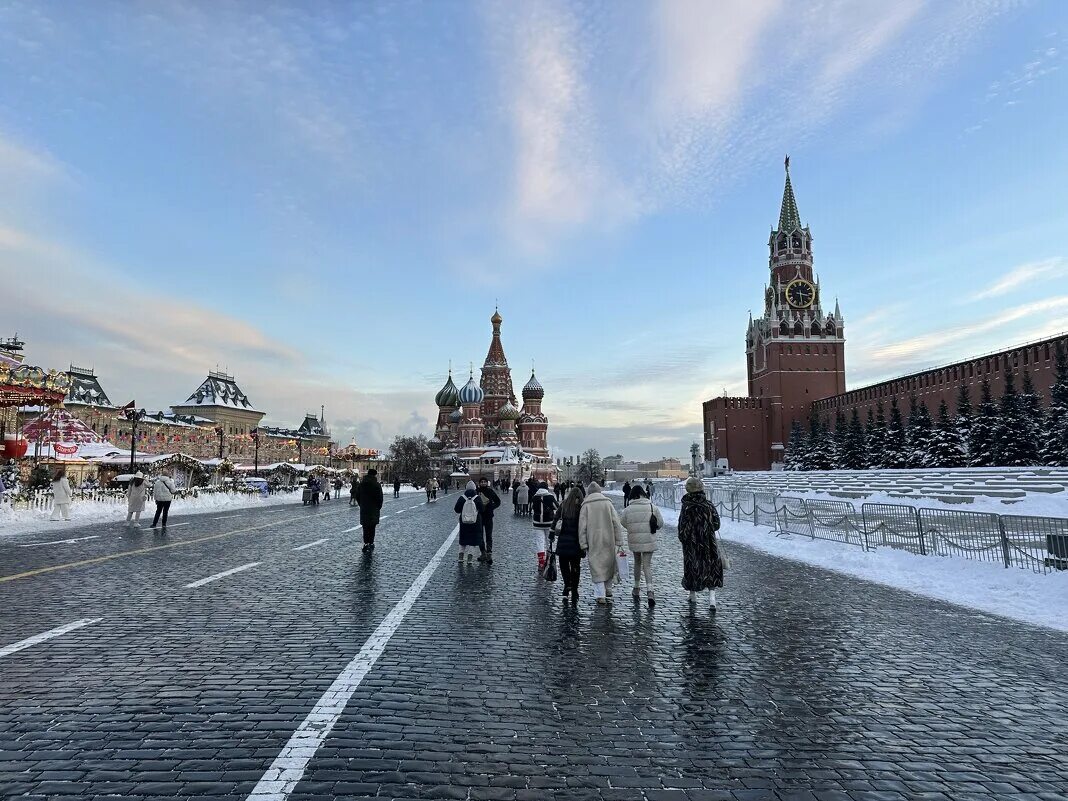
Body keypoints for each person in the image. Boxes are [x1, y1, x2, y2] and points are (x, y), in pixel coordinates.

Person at [678, 476, 724, 610]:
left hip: (691, 544)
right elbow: (716, 524)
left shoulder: (687, 506)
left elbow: (682, 526)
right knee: (710, 568)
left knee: (692, 567)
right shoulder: (708, 505)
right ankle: (712, 598)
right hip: (708, 543)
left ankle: (692, 595)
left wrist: (684, 538)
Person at [578, 482, 624, 604]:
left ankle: (600, 595)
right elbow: (616, 523)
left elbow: (582, 527)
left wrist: (583, 543)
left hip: (593, 540)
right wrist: (619, 539)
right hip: (609, 538)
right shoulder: (607, 503)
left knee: (596, 566)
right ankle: (608, 589)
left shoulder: (586, 506)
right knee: (609, 564)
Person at [619, 485, 664, 606]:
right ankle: (650, 591)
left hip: (634, 539)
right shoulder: (652, 507)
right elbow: (660, 523)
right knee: (647, 565)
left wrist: (632, 528)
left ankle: (636, 588)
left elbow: (623, 522)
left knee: (637, 562)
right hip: (649, 538)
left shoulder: (628, 509)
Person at [552, 487, 585, 600]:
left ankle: (567, 585)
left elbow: (556, 519)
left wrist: (552, 533)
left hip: (563, 542)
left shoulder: (564, 505)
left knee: (564, 566)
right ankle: (575, 590)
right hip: (576, 543)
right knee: (576, 567)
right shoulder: (582, 507)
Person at [454, 480, 486, 563]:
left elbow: (456, 509)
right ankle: (470, 558)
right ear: (475, 488)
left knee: (463, 539)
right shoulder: (477, 498)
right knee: (473, 540)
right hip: (475, 522)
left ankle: (461, 557)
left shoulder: (462, 497)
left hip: (464, 522)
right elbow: (482, 509)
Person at [531, 481, 558, 571]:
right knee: (549, 541)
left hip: (537, 523)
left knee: (540, 542)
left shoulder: (535, 497)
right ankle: (549, 560)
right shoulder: (550, 497)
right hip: (549, 523)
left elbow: (531, 507)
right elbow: (557, 507)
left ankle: (541, 563)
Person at [356, 469, 384, 552]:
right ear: (375, 475)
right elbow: (380, 498)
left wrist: (362, 505)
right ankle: (371, 543)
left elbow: (357, 496)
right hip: (373, 509)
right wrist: (378, 507)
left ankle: (366, 543)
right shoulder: (376, 485)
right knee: (372, 527)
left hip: (364, 508)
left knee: (365, 527)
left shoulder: (362, 484)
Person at [476, 477, 501, 563]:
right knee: (480, 535)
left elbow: (498, 501)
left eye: (484, 482)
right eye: (482, 482)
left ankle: (489, 553)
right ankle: (483, 553)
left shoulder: (490, 491)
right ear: (479, 483)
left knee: (488, 535)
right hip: (479, 516)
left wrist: (492, 507)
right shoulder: (477, 492)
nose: (483, 483)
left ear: (487, 483)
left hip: (488, 516)